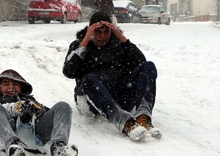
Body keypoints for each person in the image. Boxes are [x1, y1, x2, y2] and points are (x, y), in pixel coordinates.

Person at [62, 11, 160, 141]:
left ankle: (143, 117)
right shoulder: (79, 45)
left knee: (149, 66)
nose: (102, 36)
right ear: (91, 31)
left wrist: (122, 38)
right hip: (91, 101)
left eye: (106, 32)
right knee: (89, 79)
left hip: (119, 96)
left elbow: (141, 64)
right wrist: (85, 41)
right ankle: (125, 123)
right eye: (98, 32)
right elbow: (68, 71)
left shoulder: (118, 44)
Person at [0, 69, 78, 156]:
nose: (11, 87)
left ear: (21, 88)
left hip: (37, 134)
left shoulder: (30, 101)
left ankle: (58, 149)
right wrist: (15, 108)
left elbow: (55, 118)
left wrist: (39, 110)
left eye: (15, 84)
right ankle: (14, 149)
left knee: (63, 107)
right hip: (10, 130)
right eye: (6, 84)